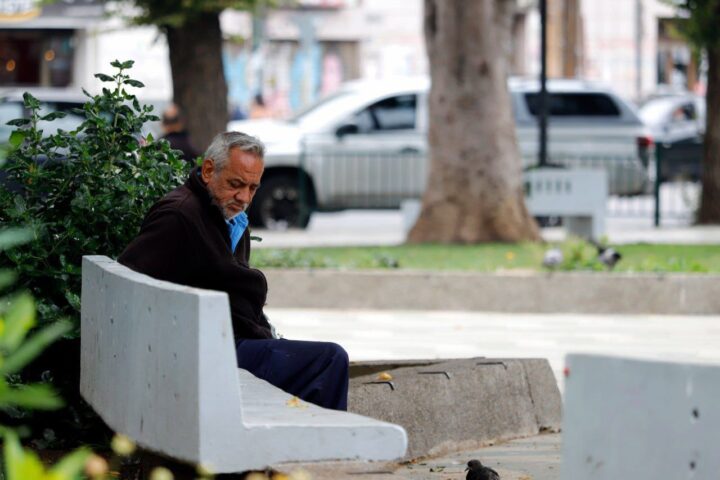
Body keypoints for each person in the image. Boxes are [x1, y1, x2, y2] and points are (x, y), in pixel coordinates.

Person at [118, 131, 349, 411]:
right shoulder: (178, 215)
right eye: (236, 184)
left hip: (222, 341)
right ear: (208, 171)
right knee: (329, 360)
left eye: (253, 188)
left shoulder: (229, 217)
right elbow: (129, 281)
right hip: (202, 352)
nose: (244, 197)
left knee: (319, 360)